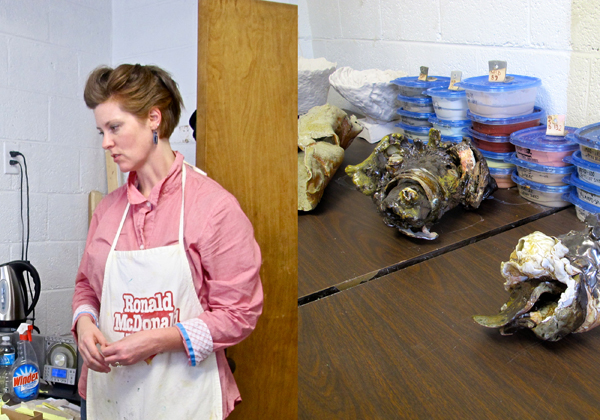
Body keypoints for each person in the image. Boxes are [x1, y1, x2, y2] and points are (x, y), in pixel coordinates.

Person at [71, 63, 263, 419]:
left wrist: (158, 339)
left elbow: (240, 314)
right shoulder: (108, 211)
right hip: (109, 396)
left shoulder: (213, 208)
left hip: (184, 398)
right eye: (101, 130)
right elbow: (86, 287)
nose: (105, 143)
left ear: (154, 119)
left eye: (114, 127)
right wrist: (84, 323)